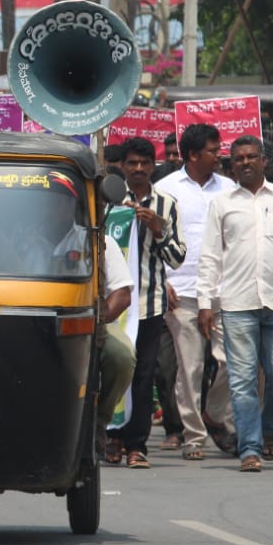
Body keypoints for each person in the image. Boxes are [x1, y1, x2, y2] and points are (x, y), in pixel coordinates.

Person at [197, 134, 273, 472]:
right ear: (231, 164)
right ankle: (249, 448)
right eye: (239, 159)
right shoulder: (222, 203)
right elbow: (209, 256)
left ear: (264, 161)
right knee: (242, 379)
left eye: (252, 157)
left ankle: (269, 427)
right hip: (237, 304)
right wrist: (205, 301)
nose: (246, 163)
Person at [155, 124, 239, 459]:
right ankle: (194, 436)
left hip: (225, 290)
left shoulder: (230, 189)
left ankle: (215, 415)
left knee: (230, 361)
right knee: (189, 368)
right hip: (183, 292)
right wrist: (163, 281)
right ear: (193, 155)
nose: (220, 156)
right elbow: (154, 240)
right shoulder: (165, 189)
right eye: (213, 150)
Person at [103, 138, 185, 469]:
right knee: (112, 369)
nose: (138, 169)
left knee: (144, 374)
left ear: (153, 166)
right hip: (113, 304)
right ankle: (111, 437)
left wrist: (158, 229)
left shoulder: (166, 204)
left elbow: (177, 257)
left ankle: (137, 445)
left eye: (145, 163)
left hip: (149, 304)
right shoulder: (109, 201)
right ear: (122, 166)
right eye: (132, 163)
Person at [98, 234, 136, 431]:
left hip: (92, 321)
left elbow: (122, 295)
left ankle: (99, 422)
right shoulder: (23, 237)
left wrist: (97, 323)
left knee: (121, 356)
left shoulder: (101, 241)